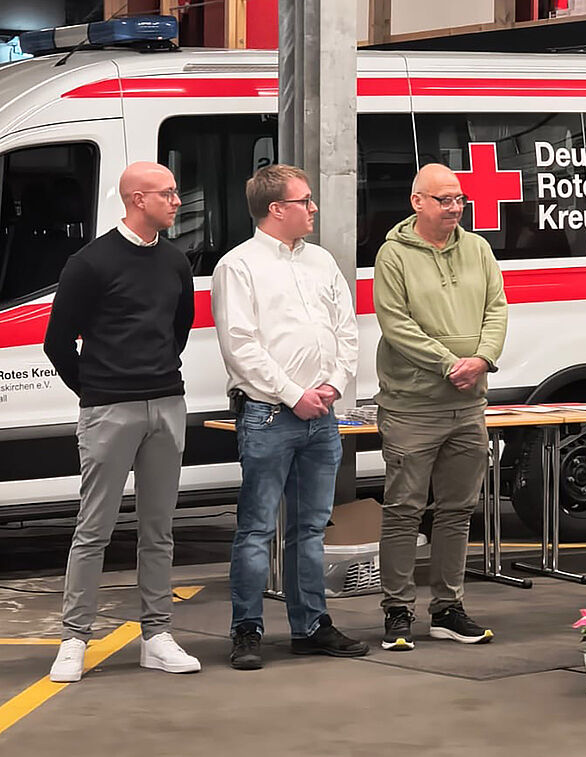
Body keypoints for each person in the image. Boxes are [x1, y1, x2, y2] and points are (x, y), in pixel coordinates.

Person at [44, 161, 200, 682]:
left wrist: (156, 376)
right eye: (167, 193)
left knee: (159, 529)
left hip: (166, 403)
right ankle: (74, 638)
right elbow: (57, 341)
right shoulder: (89, 263)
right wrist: (96, 392)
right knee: (94, 529)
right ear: (137, 199)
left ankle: (157, 635)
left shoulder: (174, 261)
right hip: (109, 409)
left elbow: (179, 328)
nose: (177, 201)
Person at [211, 164, 367, 670]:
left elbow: (346, 329)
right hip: (268, 414)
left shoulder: (322, 261)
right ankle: (247, 630)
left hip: (322, 415)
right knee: (257, 528)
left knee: (311, 528)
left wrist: (334, 385)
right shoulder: (238, 266)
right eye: (305, 201)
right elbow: (240, 346)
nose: (314, 208)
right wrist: (294, 393)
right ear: (276, 209)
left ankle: (311, 626)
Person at [373, 163, 508, 651]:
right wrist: (450, 363)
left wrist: (483, 359)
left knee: (457, 510)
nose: (454, 208)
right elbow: (396, 325)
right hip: (412, 407)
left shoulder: (479, 249)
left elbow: (497, 309)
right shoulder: (393, 255)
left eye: (459, 200)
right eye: (444, 200)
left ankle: (447, 609)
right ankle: (397, 611)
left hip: (468, 405)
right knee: (403, 511)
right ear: (417, 202)